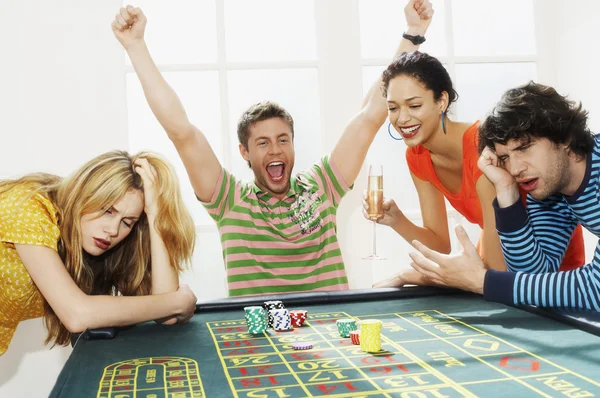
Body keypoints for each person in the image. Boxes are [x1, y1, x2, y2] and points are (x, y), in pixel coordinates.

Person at [111, 1, 434, 296]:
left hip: (330, 334)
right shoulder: (229, 201)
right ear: (244, 152)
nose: (276, 150)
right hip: (260, 344)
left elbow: (369, 117)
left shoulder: (321, 187)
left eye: (283, 140)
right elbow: (181, 132)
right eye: (262, 143)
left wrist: (413, 34)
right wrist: (135, 46)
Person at [362, 52, 584, 288]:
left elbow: (495, 272)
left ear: (441, 101)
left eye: (414, 105)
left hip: (545, 268)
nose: (402, 118)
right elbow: (439, 244)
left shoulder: (480, 148)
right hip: (495, 262)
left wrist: (409, 276)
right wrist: (397, 220)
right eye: (393, 108)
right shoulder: (417, 156)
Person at [408, 81, 600, 310]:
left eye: (524, 148)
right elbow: (532, 273)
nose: (516, 168)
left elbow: (595, 290)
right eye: (505, 157)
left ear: (565, 139)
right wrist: (506, 191)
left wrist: (482, 282)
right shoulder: (550, 192)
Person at [0, 151, 198, 356]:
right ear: (85, 194)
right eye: (107, 211)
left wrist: (156, 213)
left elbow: (167, 316)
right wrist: (177, 302)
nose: (113, 230)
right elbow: (77, 314)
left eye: (127, 222)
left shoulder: (97, 248)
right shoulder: (27, 206)